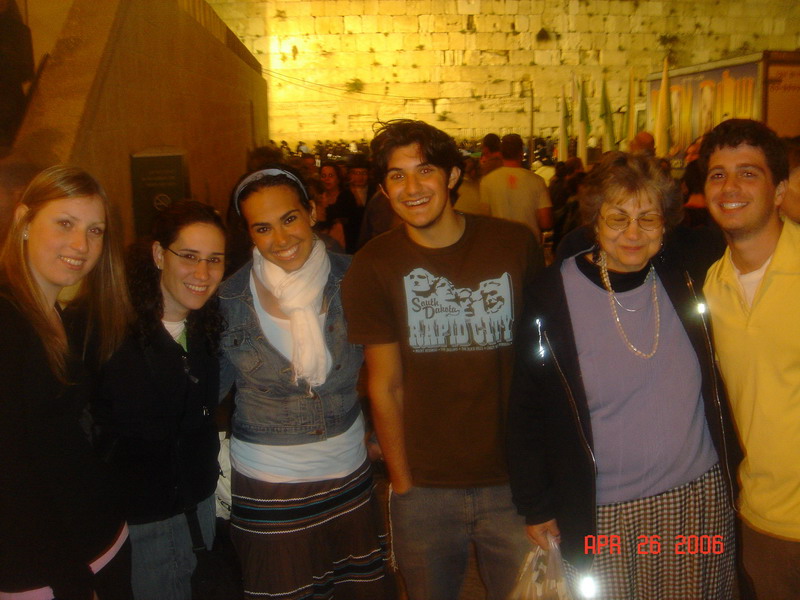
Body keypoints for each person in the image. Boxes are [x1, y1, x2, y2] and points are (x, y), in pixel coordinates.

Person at [508, 151, 741, 600]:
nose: (632, 233)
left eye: (648, 219)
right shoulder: (550, 296)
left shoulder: (687, 273)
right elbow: (526, 407)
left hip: (696, 502)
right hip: (603, 512)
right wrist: (535, 504)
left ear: (665, 226)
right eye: (617, 218)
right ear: (594, 220)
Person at [342, 120, 543, 600]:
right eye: (396, 176)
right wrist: (403, 483)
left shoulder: (513, 246)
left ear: (453, 176)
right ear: (383, 188)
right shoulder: (374, 265)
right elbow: (384, 384)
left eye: (425, 170)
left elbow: (541, 366)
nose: (412, 188)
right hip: (424, 489)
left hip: (513, 484)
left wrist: (541, 474)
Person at [218, 165, 391, 599]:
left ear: (311, 211)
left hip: (349, 474)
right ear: (249, 234)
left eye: (289, 219)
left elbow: (391, 368)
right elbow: (203, 391)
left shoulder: (355, 279)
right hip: (267, 484)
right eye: (262, 228)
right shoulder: (228, 298)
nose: (280, 239)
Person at [0, 165, 133, 599]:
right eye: (65, 223)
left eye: (95, 230)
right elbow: (12, 476)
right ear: (24, 221)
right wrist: (72, 581)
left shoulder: (54, 311)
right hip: (47, 572)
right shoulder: (8, 320)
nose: (82, 244)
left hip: (98, 541)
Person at [94, 201, 226, 600]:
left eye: (214, 260)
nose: (202, 274)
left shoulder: (206, 323)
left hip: (197, 508)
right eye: (188, 257)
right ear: (157, 254)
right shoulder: (113, 332)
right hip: (145, 522)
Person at [700, 119, 800, 599]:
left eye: (748, 173)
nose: (730, 187)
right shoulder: (711, 288)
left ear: (780, 191)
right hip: (763, 521)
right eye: (717, 174)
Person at [480, 133, 553, 241]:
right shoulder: (537, 181)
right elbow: (546, 222)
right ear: (521, 154)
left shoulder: (487, 181)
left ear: (502, 153)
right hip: (528, 244)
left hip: (499, 243)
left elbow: (484, 219)